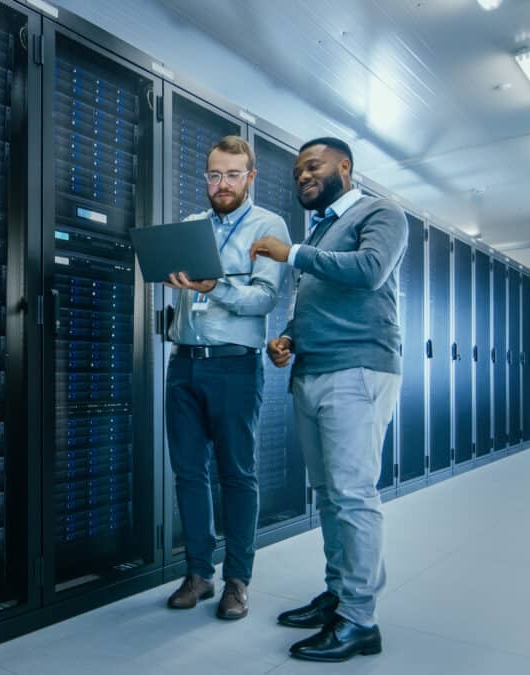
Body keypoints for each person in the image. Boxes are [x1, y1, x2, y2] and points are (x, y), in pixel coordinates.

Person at [250, 137, 407, 661]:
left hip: (357, 369)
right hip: (313, 370)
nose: (302, 177)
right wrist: (288, 336)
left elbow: (369, 271)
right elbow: (312, 299)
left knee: (353, 494)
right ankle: (340, 595)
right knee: (329, 493)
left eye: (311, 167)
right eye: (296, 172)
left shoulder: (380, 212)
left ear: (345, 166)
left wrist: (291, 252)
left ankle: (361, 620)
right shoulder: (319, 231)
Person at [163, 135, 290, 621]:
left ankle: (237, 579)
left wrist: (215, 288)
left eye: (233, 174)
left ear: (250, 177)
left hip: (235, 364)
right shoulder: (192, 227)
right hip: (185, 361)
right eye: (214, 174)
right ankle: (199, 573)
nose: (222, 184)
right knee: (188, 472)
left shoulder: (267, 226)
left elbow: (263, 299)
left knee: (237, 474)